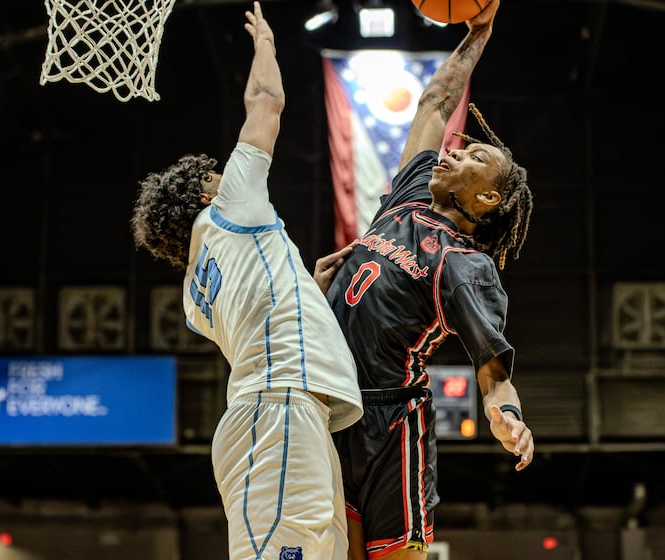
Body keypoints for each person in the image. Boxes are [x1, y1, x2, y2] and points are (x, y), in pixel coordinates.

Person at [130, 3, 363, 559]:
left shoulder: (195, 296)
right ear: (205, 194)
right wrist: (265, 45)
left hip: (278, 414)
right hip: (276, 413)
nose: (224, 172)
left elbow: (259, 312)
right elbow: (266, 102)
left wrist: (304, 286)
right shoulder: (231, 207)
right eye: (214, 174)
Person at [314, 1, 535, 558]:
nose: (455, 148)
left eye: (472, 155)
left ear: (487, 197)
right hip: (328, 402)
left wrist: (503, 413)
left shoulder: (463, 264)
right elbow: (437, 101)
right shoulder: (412, 190)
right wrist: (476, 38)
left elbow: (493, 367)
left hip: (390, 422)